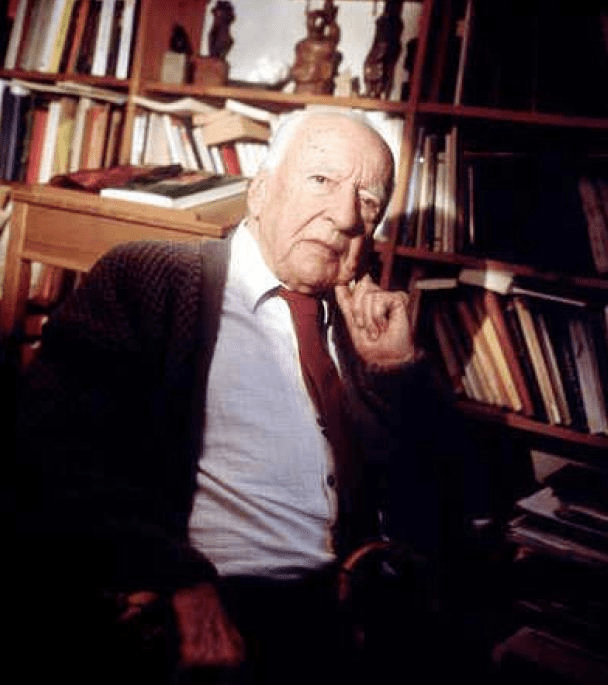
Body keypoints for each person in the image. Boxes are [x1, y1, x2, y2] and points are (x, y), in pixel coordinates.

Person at [10, 110, 489, 685]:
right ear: (259, 192)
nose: (344, 217)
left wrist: (397, 372)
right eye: (321, 180)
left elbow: (451, 500)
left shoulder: (367, 327)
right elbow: (46, 452)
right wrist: (178, 577)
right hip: (210, 606)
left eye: (368, 201)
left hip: (352, 616)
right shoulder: (150, 278)